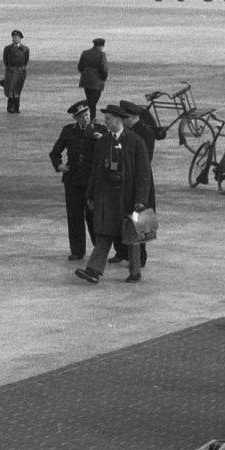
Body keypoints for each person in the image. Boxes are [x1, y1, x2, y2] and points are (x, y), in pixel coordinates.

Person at [78, 105, 153, 284]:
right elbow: (96, 169)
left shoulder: (135, 141)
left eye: (109, 119)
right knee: (104, 234)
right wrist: (90, 195)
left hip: (129, 198)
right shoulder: (103, 141)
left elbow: (144, 173)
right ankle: (93, 271)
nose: (105, 122)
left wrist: (141, 200)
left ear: (119, 120)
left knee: (132, 236)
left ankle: (135, 272)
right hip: (108, 197)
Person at [48, 102, 104, 262]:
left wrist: (102, 140)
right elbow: (55, 152)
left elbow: (108, 149)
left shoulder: (99, 130)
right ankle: (77, 250)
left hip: (91, 181)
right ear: (75, 118)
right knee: (74, 216)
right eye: (81, 117)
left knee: (93, 216)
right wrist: (59, 165)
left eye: (87, 115)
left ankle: (99, 249)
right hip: (73, 180)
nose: (85, 119)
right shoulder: (68, 131)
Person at [0, 30, 30, 114]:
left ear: (20, 38)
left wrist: (21, 69)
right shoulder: (8, 48)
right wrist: (9, 68)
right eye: (13, 37)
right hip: (11, 71)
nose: (14, 39)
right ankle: (10, 108)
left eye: (16, 37)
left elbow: (25, 61)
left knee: (17, 90)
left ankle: (16, 108)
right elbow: (5, 60)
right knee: (10, 90)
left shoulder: (25, 49)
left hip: (20, 72)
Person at [77, 39, 109, 114]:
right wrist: (104, 78)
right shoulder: (101, 54)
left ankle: (91, 118)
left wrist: (86, 73)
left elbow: (80, 67)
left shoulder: (85, 53)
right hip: (97, 82)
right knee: (92, 102)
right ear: (101, 46)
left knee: (90, 101)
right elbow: (104, 68)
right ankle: (88, 115)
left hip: (86, 81)